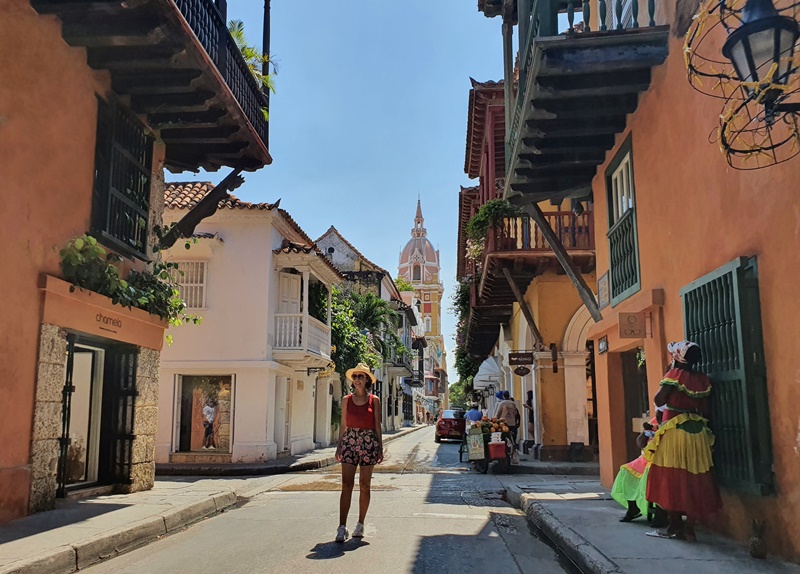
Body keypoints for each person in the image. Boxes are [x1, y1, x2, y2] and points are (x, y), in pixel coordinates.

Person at [644, 341, 722, 542]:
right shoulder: (702, 380)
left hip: (674, 431)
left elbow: (659, 400)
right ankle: (690, 528)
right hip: (698, 432)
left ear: (677, 357)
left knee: (670, 477)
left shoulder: (673, 376)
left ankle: (674, 525)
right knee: (696, 477)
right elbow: (705, 410)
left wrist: (667, 375)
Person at [335, 362, 383, 543]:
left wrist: (380, 447)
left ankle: (360, 524)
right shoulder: (346, 400)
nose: (356, 380)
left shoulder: (374, 401)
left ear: (367, 380)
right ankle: (341, 527)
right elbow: (343, 425)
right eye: (354, 377)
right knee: (346, 484)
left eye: (360, 376)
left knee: (364, 485)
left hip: (369, 442)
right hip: (350, 441)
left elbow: (377, 424)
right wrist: (339, 446)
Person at [611, 407, 665, 523]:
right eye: (657, 413)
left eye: (660, 413)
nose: (658, 416)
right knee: (625, 470)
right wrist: (646, 432)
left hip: (662, 459)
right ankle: (633, 508)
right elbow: (640, 443)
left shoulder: (671, 422)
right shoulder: (654, 421)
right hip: (645, 458)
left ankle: (660, 513)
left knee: (650, 472)